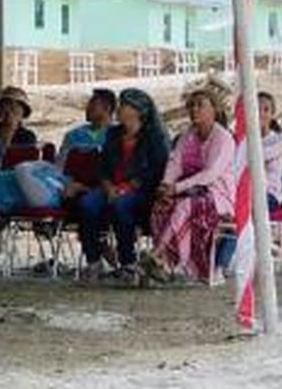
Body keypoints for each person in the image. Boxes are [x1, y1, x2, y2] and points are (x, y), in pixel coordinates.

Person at [77, 88, 171, 283]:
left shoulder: (154, 138)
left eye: (123, 105)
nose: (118, 109)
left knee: (121, 205)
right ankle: (93, 261)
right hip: (111, 187)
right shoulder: (113, 134)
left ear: (137, 111)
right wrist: (109, 187)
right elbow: (102, 168)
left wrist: (126, 188)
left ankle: (127, 262)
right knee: (87, 203)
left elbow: (156, 172)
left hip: (141, 191)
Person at [146, 85, 235, 283]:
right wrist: (166, 184)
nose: (194, 110)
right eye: (191, 106)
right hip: (189, 189)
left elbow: (210, 174)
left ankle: (159, 252)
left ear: (214, 110)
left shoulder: (223, 138)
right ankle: (167, 264)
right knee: (161, 205)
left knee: (186, 206)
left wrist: (177, 188)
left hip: (218, 194)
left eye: (200, 106)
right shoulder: (187, 136)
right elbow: (175, 162)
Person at [12, 89, 116, 209]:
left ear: (107, 108)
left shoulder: (116, 135)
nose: (87, 108)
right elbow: (60, 166)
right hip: (66, 184)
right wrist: (67, 183)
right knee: (24, 171)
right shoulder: (74, 135)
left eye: (93, 104)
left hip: (99, 186)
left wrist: (83, 187)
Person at [259, 91, 282, 212]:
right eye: (257, 109)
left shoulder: (278, 141)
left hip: (269, 194)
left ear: (272, 114)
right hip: (247, 192)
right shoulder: (245, 140)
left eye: (265, 110)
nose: (260, 114)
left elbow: (255, 159)